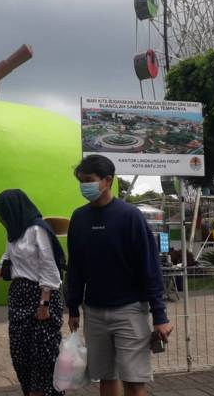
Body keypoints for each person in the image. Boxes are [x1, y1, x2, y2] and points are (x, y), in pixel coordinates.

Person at [66, 155, 173, 396]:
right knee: (105, 378)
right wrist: (73, 306)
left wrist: (160, 315)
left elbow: (150, 267)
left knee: (134, 381)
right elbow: (75, 266)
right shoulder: (79, 218)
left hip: (130, 310)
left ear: (108, 181)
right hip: (93, 311)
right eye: (81, 181)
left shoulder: (130, 216)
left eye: (89, 180)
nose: (84, 186)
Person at [0, 189, 66, 396]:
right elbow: (6, 258)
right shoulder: (15, 232)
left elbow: (49, 266)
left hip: (40, 295)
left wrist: (44, 304)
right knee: (21, 353)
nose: (2, 217)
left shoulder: (37, 229)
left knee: (42, 355)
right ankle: (29, 391)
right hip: (19, 296)